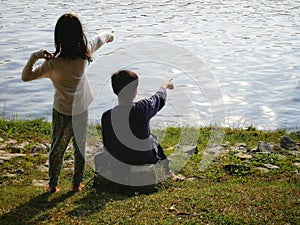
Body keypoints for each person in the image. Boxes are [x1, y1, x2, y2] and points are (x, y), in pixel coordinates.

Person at [22, 13, 114, 193]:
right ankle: (75, 184)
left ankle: (52, 185)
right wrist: (111, 34)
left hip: (62, 111)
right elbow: (100, 39)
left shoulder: (52, 64)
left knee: (57, 148)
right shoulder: (85, 54)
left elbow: (26, 77)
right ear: (80, 34)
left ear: (59, 37)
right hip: (81, 109)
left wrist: (35, 56)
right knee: (79, 147)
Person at [101, 70, 182, 181]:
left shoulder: (106, 116)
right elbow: (159, 98)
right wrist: (165, 85)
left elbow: (107, 144)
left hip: (118, 160)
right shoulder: (142, 108)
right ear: (134, 91)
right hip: (143, 157)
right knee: (153, 139)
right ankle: (168, 172)